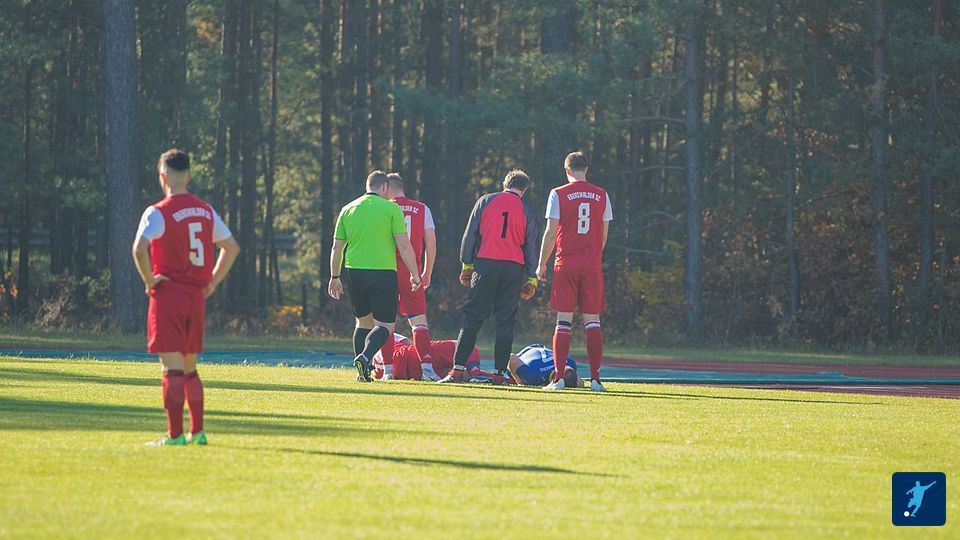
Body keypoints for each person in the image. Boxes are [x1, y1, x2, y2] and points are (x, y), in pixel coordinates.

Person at [132, 149, 240, 446]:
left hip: (169, 295)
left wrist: (149, 280)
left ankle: (175, 435)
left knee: (171, 369)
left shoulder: (157, 212)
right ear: (188, 176)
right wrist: (212, 282)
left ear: (162, 177)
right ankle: (198, 431)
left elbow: (139, 249)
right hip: (196, 297)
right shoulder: (205, 210)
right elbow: (231, 247)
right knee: (190, 369)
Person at [438, 170, 541, 384]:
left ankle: (457, 370)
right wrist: (532, 277)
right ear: (524, 189)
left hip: (486, 263)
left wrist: (467, 264)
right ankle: (500, 373)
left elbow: (470, 234)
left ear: (505, 184)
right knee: (505, 321)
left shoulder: (485, 201)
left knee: (472, 317)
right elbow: (531, 245)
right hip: (513, 267)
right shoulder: (527, 209)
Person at [328, 170, 422, 382]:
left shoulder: (348, 209)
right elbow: (404, 246)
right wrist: (415, 274)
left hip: (354, 272)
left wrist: (335, 277)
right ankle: (365, 357)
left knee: (362, 323)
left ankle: (362, 372)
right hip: (383, 272)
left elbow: (336, 248)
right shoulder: (391, 208)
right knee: (386, 326)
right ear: (385, 187)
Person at [536, 151, 612, 392]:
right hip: (592, 266)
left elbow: (550, 232)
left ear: (566, 169)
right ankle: (596, 380)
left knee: (563, 321)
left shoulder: (558, 193)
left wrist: (541, 263)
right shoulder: (602, 195)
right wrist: (591, 255)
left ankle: (558, 378)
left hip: (566, 264)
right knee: (593, 322)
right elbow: (603, 236)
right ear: (586, 169)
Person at [386, 173, 439, 380]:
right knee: (418, 321)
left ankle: (388, 370)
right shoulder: (422, 208)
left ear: (387, 188)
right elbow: (431, 244)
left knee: (385, 321)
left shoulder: (384, 208)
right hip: (412, 272)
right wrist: (427, 272)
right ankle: (427, 369)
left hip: (387, 270)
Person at [371, 333, 481, 382]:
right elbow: (409, 343)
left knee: (457, 374)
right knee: (469, 347)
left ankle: (479, 376)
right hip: (413, 355)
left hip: (402, 374)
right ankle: (476, 373)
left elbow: (377, 374)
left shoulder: (375, 368)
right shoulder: (385, 329)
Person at [507, 344, 583, 388]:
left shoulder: (571, 363)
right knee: (509, 373)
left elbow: (579, 382)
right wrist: (521, 383)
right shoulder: (533, 374)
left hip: (541, 351)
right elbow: (511, 357)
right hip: (529, 350)